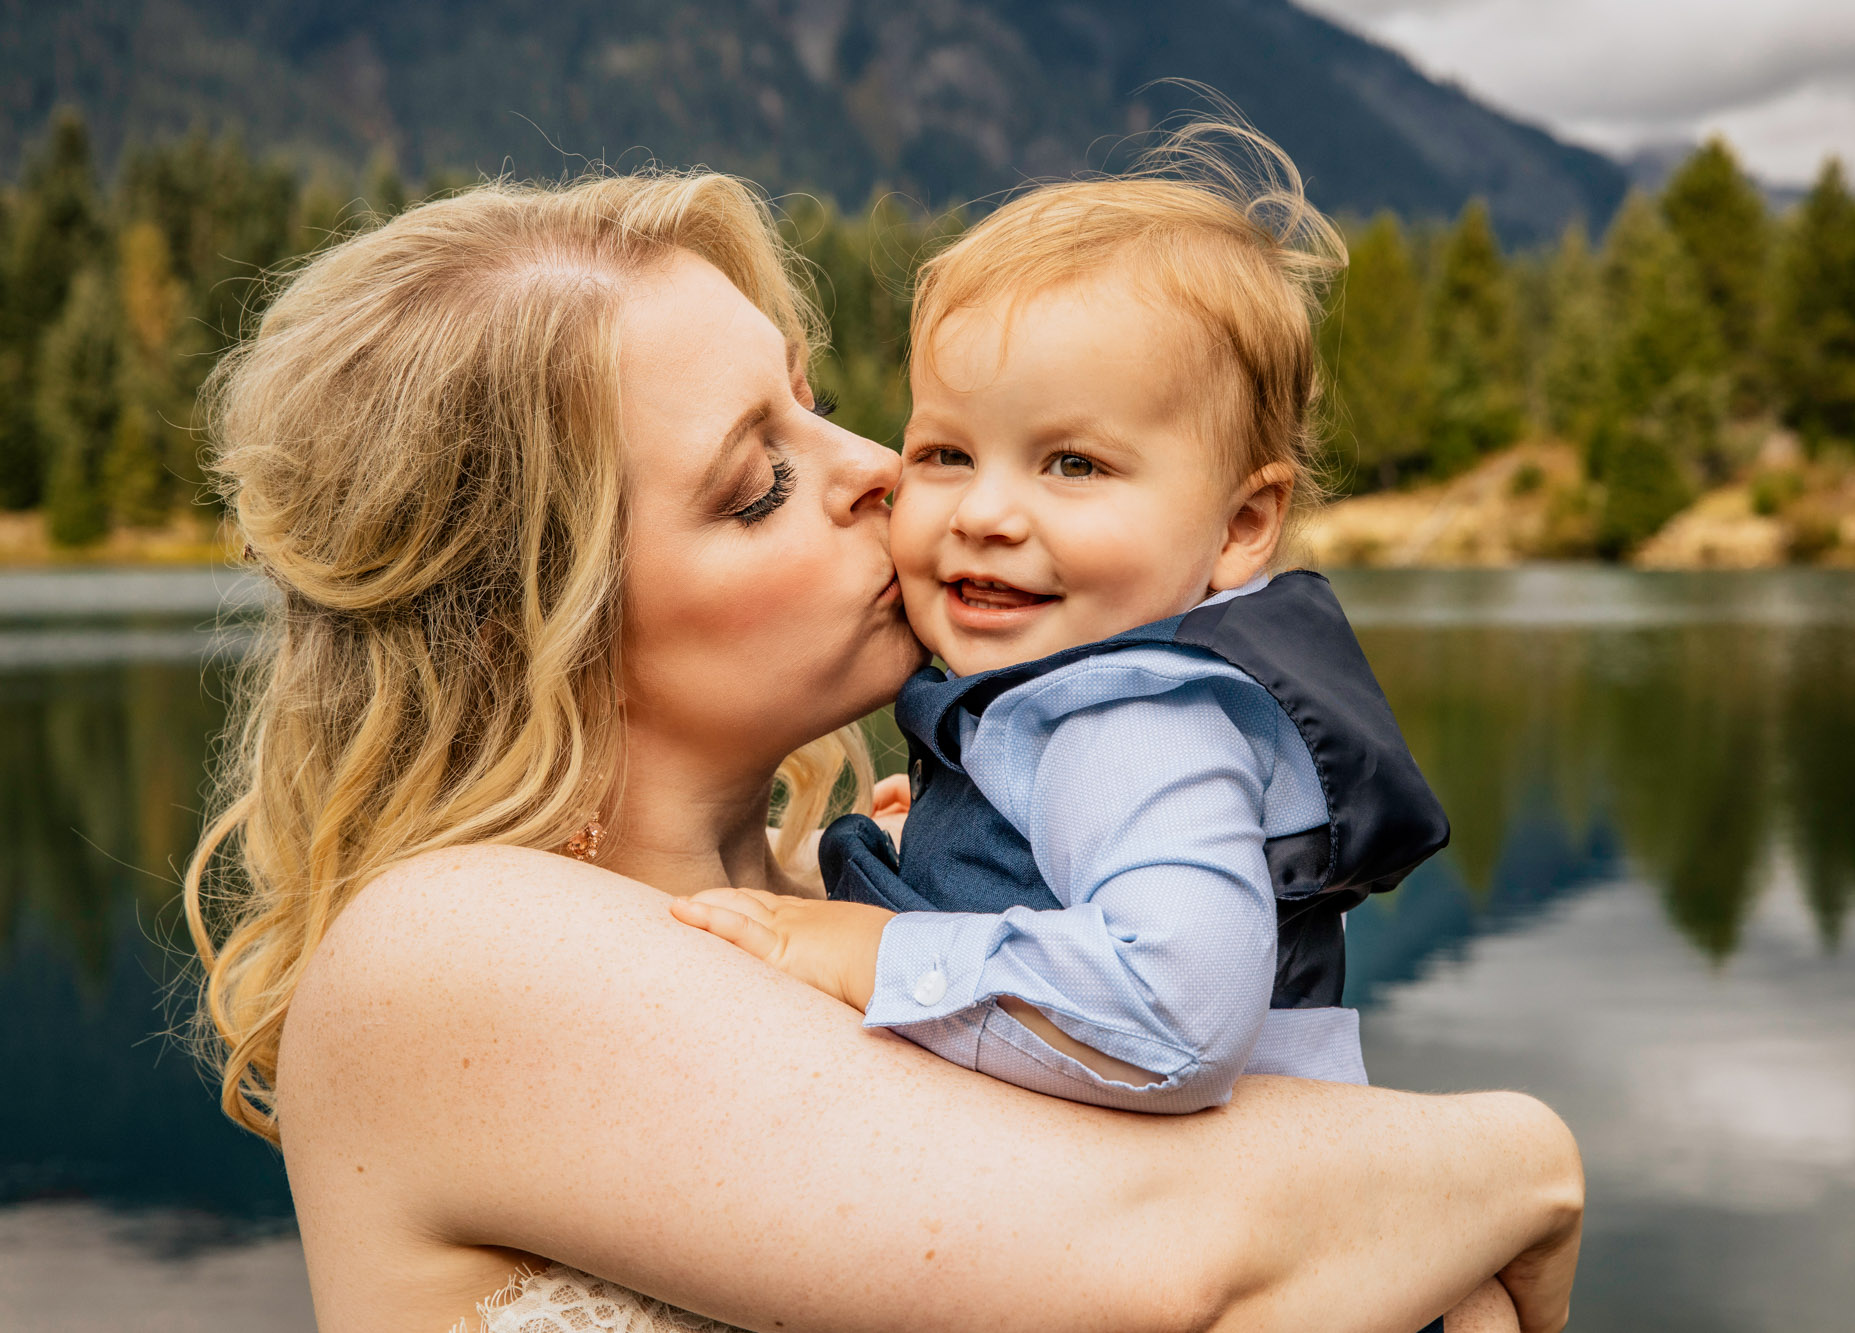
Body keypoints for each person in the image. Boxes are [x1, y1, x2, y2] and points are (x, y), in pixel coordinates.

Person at [183, 167, 1583, 1333]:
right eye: (757, 482)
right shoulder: (453, 945)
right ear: (523, 623)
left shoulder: (875, 900)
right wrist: (1511, 1155)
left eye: (815, 399)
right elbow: (1175, 1266)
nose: (877, 470)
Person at [669, 124, 1507, 1333]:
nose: (988, 513)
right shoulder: (1062, 722)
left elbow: (1177, 1013)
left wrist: (860, 949)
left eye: (1072, 463)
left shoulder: (1135, 716)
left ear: (1238, 526)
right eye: (947, 452)